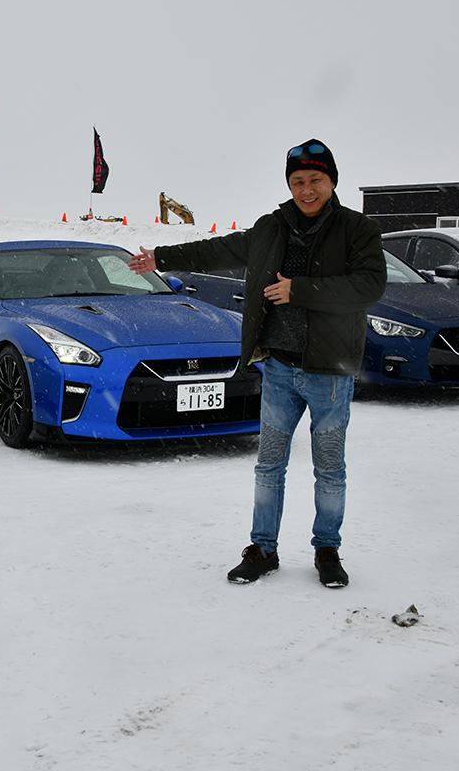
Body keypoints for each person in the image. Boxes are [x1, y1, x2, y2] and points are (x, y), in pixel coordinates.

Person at [128, 138, 385, 588]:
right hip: (281, 369)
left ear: (332, 182)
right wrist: (161, 257)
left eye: (316, 181)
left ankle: (327, 550)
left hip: (330, 372)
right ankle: (263, 548)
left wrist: (299, 290)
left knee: (329, 469)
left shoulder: (356, 229)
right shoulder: (272, 226)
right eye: (299, 181)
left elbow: (369, 286)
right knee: (268, 466)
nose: (307, 190)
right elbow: (219, 250)